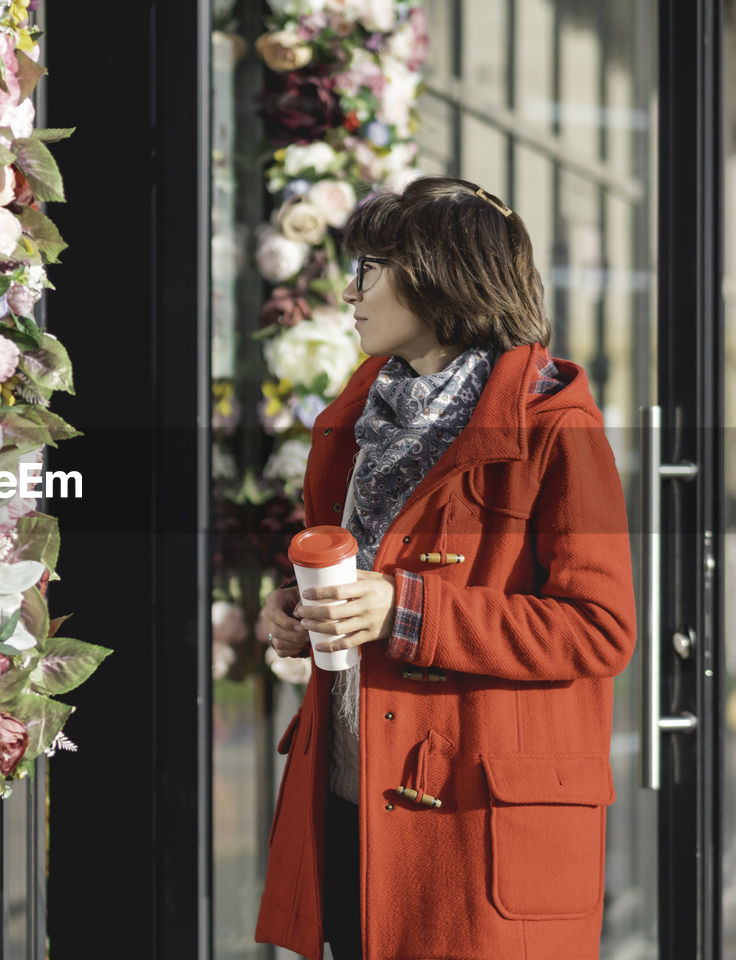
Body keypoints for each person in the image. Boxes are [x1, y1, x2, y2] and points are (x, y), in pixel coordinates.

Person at [253, 176, 636, 960]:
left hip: (475, 832)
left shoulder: (556, 427)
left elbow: (601, 630)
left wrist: (405, 609)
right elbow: (366, 572)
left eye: (371, 267)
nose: (351, 289)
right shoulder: (357, 421)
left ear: (436, 276)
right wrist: (297, 609)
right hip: (352, 805)